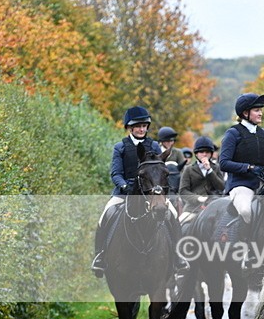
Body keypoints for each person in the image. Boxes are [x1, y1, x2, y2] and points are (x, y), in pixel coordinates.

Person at [91, 106, 188, 277]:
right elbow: (116, 173)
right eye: (138, 126)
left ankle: (177, 256)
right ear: (130, 127)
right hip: (125, 192)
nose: (142, 129)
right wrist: (124, 186)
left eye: (144, 126)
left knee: (172, 214)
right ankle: (100, 256)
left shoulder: (154, 147)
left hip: (151, 193)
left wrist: (160, 191)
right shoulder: (120, 147)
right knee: (105, 215)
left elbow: (159, 171)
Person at [218, 93, 264, 266]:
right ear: (245, 113)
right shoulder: (233, 133)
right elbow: (223, 162)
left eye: (261, 110)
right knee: (247, 211)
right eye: (256, 110)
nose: (260, 113)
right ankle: (247, 250)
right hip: (241, 185)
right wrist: (249, 168)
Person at [179, 136, 225, 222]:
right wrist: (197, 198)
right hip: (193, 208)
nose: (204, 154)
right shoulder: (188, 169)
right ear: (196, 154)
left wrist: (209, 170)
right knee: (180, 223)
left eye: (207, 152)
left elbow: (221, 187)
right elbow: (183, 191)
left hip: (214, 207)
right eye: (201, 152)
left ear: (211, 153)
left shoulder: (216, 168)